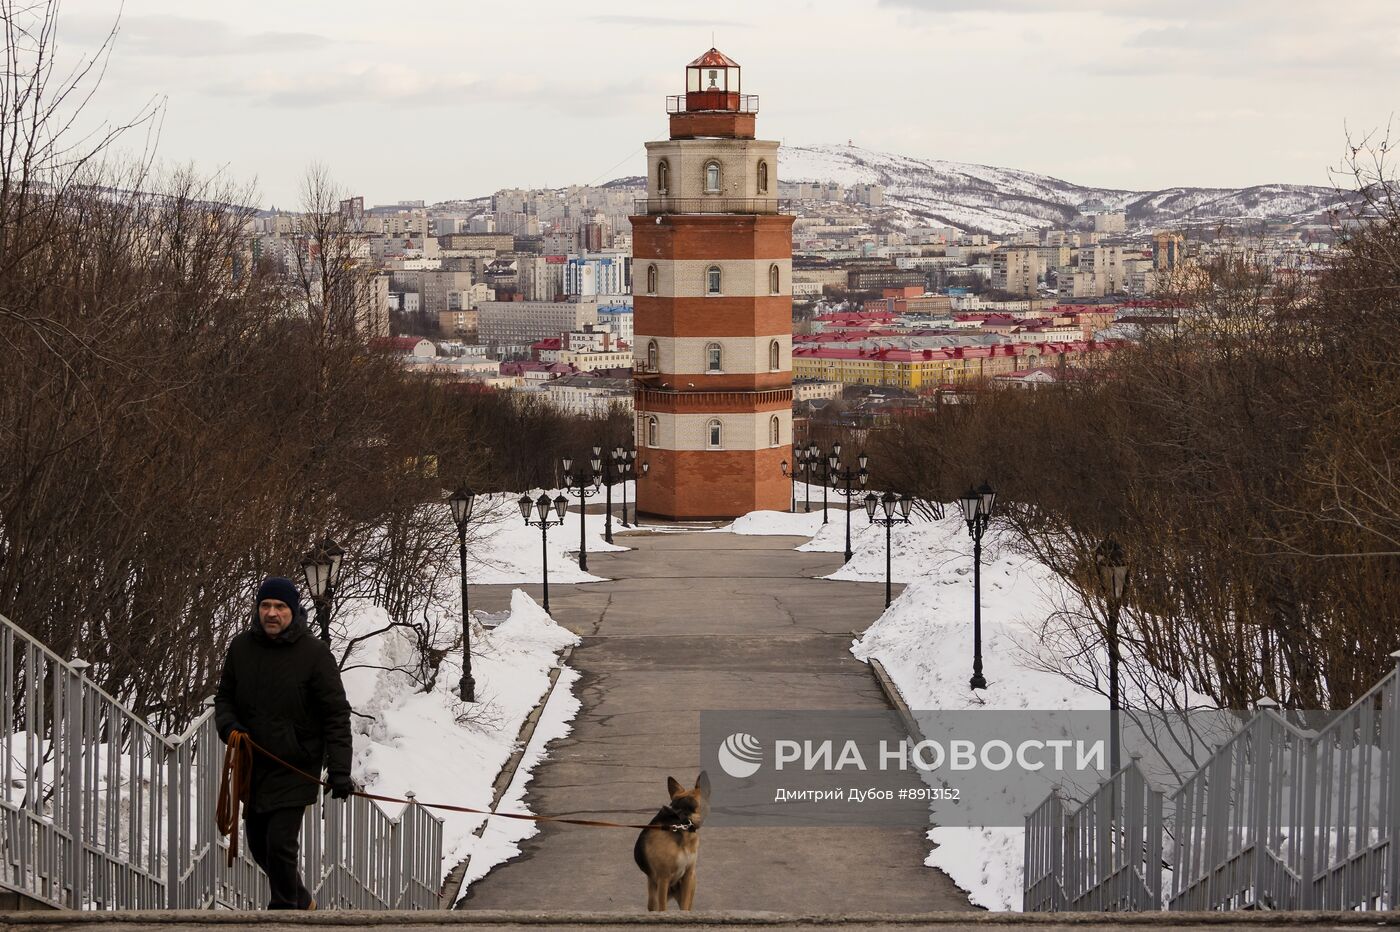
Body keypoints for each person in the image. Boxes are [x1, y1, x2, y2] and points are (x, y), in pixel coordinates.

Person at [215, 576, 353, 910]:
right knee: (258, 845)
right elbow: (224, 698)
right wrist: (229, 726)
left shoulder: (315, 654)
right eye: (265, 605)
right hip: (254, 764)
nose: (272, 613)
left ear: (293, 611)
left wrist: (339, 770)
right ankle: (302, 901)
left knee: (280, 844)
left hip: (295, 765)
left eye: (280, 606)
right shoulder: (241, 648)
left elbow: (336, 714)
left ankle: (283, 913)